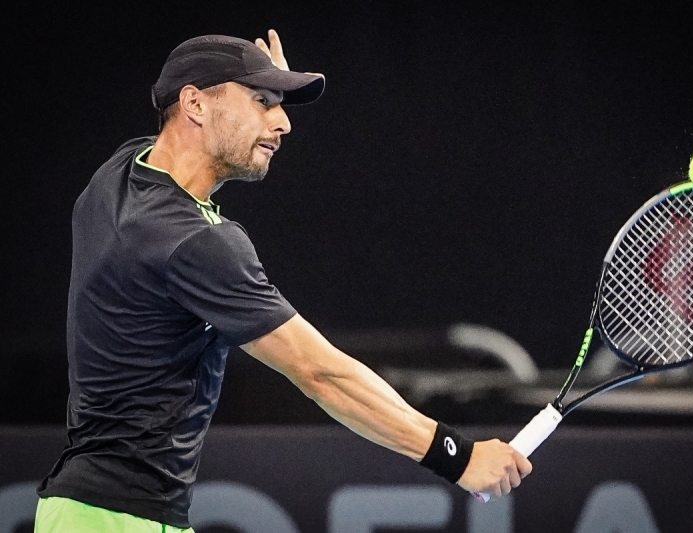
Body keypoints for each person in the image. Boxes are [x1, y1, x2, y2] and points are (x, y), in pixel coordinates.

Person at [33, 31, 532, 532]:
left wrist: (258, 84)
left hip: (76, 511)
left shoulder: (117, 175)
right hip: (120, 520)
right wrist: (457, 456)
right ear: (195, 104)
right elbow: (321, 374)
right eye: (262, 102)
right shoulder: (197, 242)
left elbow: (175, 143)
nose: (284, 122)